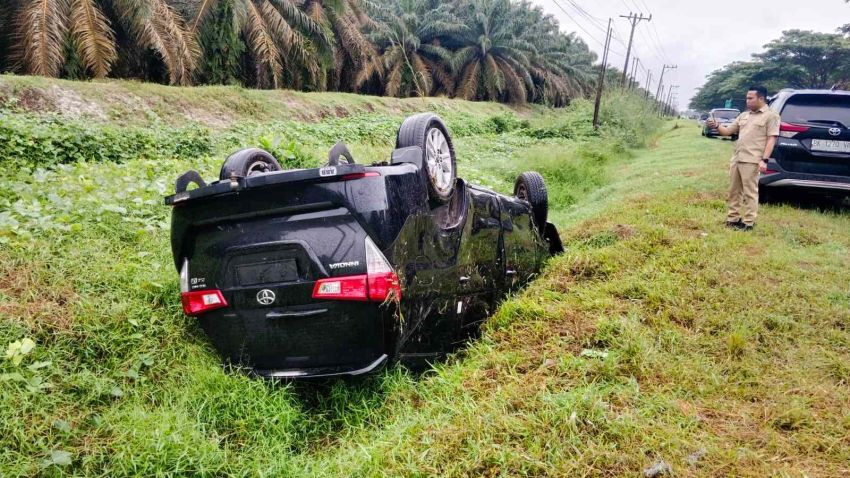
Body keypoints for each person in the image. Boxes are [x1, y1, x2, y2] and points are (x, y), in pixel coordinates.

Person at [707, 85, 780, 231]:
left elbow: (771, 139)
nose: (747, 101)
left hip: (752, 160)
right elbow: (727, 132)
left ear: (761, 98)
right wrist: (716, 125)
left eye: (750, 98)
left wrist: (764, 160)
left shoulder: (771, 116)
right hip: (737, 158)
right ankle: (733, 219)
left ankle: (748, 222)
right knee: (734, 191)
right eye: (747, 98)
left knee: (750, 193)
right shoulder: (744, 115)